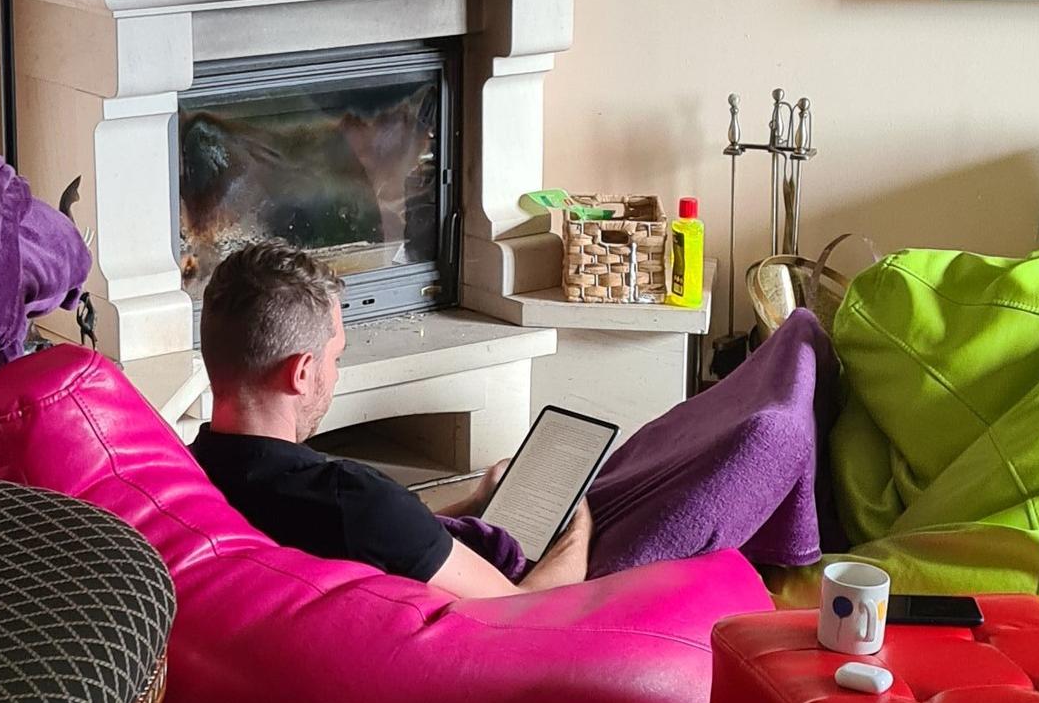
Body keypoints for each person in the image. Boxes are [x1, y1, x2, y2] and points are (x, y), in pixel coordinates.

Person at [191, 237, 832, 600]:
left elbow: (383, 527)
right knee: (754, 441)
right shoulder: (352, 503)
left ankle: (794, 356)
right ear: (300, 373)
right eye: (335, 356)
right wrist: (575, 529)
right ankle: (799, 358)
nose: (336, 372)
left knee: (650, 458)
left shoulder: (190, 468)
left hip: (447, 547)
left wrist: (475, 492)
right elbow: (526, 612)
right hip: (546, 596)